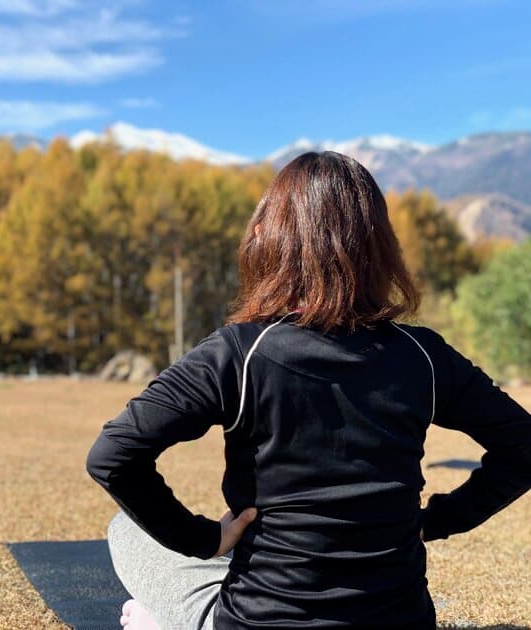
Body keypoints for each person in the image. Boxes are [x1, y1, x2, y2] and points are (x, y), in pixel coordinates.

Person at [86, 151, 531, 629]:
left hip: (262, 619)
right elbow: (523, 447)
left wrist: (202, 539)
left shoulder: (238, 352)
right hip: (399, 620)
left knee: (126, 531)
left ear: (272, 238)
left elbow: (113, 455)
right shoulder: (421, 354)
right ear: (380, 247)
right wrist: (437, 520)